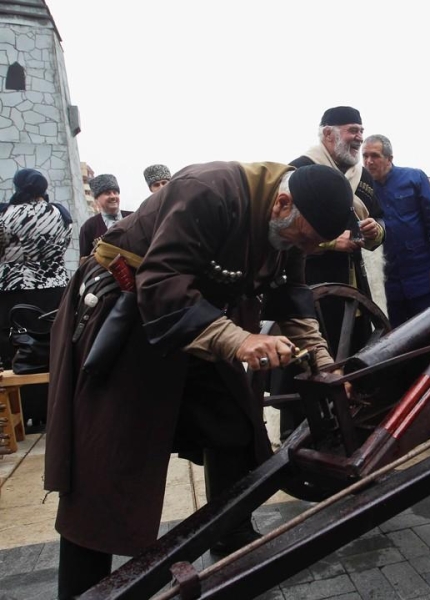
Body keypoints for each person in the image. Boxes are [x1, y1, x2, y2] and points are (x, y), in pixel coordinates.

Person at [45, 162, 354, 598]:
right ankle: (81, 589)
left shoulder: (295, 221)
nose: (297, 246)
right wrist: (238, 340)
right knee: (105, 463)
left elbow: (290, 296)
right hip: (127, 313)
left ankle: (229, 538)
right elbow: (162, 282)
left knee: (232, 424)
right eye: (298, 237)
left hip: (197, 319)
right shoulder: (207, 192)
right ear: (282, 202)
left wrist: (324, 364)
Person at [290, 106, 385, 353]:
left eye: (361, 131)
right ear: (328, 134)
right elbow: (285, 230)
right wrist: (332, 243)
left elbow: (380, 219)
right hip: (311, 282)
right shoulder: (299, 171)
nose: (360, 138)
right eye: (352, 131)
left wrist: (375, 231)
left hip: (355, 289)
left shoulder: (363, 177)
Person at [0, 169, 71, 429]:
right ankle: (56, 408)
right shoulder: (61, 214)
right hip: (54, 287)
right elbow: (63, 246)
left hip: (14, 289)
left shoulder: (5, 214)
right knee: (54, 346)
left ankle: (27, 411)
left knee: (18, 348)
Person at [362, 134, 430, 326]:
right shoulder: (365, 188)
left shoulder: (414, 178)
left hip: (422, 278)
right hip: (387, 284)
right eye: (365, 156)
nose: (368, 161)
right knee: (396, 339)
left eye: (374, 156)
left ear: (390, 158)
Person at [78, 174, 132, 257]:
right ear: (97, 199)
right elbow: (84, 263)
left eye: (115, 192)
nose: (113, 196)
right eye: (107, 193)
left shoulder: (133, 217)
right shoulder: (89, 227)